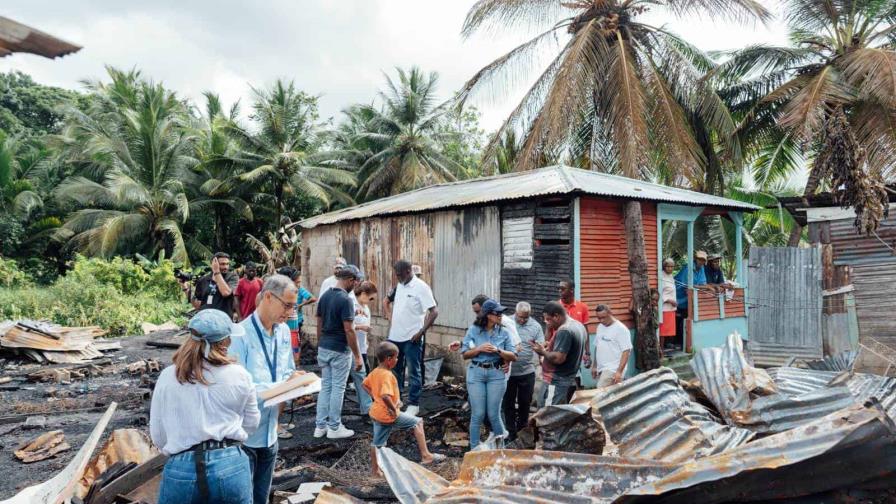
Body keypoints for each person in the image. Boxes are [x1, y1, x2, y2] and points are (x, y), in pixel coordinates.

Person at [151, 309, 260, 504]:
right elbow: (252, 423)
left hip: (181, 468)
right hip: (230, 464)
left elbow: (158, 435)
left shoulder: (168, 376)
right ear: (225, 341)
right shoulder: (239, 375)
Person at [229, 274, 303, 504]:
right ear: (268, 297)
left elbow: (286, 370)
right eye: (288, 305)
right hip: (244, 437)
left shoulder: (282, 331)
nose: (291, 312)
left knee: (261, 497)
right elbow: (240, 388)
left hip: (271, 433)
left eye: (294, 306)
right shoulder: (239, 334)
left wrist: (297, 382)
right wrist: (283, 386)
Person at [364, 341, 445, 476]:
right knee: (417, 422)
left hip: (376, 412)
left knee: (377, 443)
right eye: (396, 357)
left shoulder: (375, 372)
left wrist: (375, 398)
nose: (397, 360)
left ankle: (375, 471)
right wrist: (392, 408)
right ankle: (426, 455)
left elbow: (364, 385)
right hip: (387, 415)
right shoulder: (387, 375)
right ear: (389, 359)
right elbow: (385, 395)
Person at [314, 264, 364, 439]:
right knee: (338, 388)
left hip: (324, 347)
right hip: (339, 349)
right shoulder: (346, 300)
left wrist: (320, 344)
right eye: (356, 281)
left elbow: (318, 323)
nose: (357, 285)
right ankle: (334, 427)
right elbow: (349, 330)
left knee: (326, 386)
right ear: (350, 280)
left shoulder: (325, 295)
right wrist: (358, 356)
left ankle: (320, 426)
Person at [386, 259, 438, 417]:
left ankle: (414, 404)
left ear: (409, 271)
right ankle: (397, 400)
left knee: (414, 372)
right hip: (395, 337)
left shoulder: (421, 287)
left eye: (400, 274)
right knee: (395, 371)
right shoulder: (400, 286)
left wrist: (421, 332)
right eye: (396, 275)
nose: (398, 277)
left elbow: (434, 311)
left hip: (411, 339)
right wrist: (390, 318)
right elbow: (387, 302)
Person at [502, 302, 544, 442]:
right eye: (520, 317)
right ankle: (510, 432)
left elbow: (541, 345)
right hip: (508, 373)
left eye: (525, 318)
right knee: (508, 403)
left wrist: (540, 349)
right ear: (515, 312)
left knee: (525, 403)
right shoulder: (506, 322)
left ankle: (522, 432)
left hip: (527, 372)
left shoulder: (536, 326)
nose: (522, 320)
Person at [532, 301, 586, 406]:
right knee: (559, 413)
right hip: (568, 378)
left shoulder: (564, 330)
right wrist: (551, 345)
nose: (547, 323)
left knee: (547, 414)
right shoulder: (578, 325)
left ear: (556, 316)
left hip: (556, 381)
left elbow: (558, 358)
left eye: (548, 319)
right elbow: (570, 348)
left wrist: (542, 352)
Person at [278, 267, 316, 363]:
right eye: (297, 282)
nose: (299, 285)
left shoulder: (294, 295)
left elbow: (313, 298)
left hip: (294, 327)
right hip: (287, 331)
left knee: (295, 350)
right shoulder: (280, 298)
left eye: (299, 282)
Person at [350, 280, 378, 415]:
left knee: (364, 378)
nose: (371, 301)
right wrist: (360, 327)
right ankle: (367, 409)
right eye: (370, 298)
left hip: (361, 347)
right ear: (362, 294)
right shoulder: (350, 303)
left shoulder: (365, 308)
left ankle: (366, 408)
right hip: (350, 348)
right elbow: (345, 326)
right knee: (361, 378)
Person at [590, 305, 633, 388]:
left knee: (601, 391)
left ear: (610, 313)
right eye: (599, 318)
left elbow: (626, 351)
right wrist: (595, 366)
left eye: (604, 317)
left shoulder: (621, 329)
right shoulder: (600, 327)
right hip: (602, 368)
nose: (601, 320)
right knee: (611, 396)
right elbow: (597, 346)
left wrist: (619, 372)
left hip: (613, 369)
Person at [674, 250, 709, 347]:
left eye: (703, 260)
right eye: (700, 259)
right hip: (678, 297)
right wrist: (703, 287)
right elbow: (687, 287)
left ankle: (681, 343)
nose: (701, 262)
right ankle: (677, 343)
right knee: (679, 322)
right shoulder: (688, 268)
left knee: (684, 321)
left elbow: (703, 284)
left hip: (689, 299)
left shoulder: (701, 269)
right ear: (695, 259)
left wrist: (704, 287)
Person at [193, 252, 239, 317]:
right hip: (206, 319)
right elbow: (198, 305)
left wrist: (216, 272)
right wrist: (186, 288)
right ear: (214, 264)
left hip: (223, 320)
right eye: (222, 264)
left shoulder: (232, 277)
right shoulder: (203, 280)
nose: (225, 267)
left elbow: (226, 292)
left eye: (227, 264)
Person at [558, 280, 591, 367]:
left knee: (576, 377)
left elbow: (585, 332)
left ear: (571, 290)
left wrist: (587, 353)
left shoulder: (583, 307)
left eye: (562, 289)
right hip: (558, 351)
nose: (559, 291)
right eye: (559, 289)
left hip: (576, 352)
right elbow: (549, 331)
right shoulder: (555, 307)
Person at [660, 258, 678, 345]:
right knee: (663, 331)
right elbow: (660, 292)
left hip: (671, 308)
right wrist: (669, 300)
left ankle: (666, 347)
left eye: (672, 267)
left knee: (668, 330)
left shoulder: (671, 276)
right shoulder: (661, 276)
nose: (670, 269)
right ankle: (661, 350)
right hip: (664, 308)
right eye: (668, 266)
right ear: (664, 267)